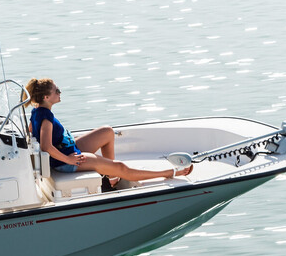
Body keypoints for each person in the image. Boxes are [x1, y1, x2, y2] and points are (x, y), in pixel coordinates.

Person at [23, 78, 193, 187]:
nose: (60, 93)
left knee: (107, 132)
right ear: (46, 97)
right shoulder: (46, 117)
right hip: (66, 161)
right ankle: (169, 173)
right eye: (56, 91)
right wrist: (68, 159)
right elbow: (45, 146)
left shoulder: (37, 111)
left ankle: (111, 176)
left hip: (68, 149)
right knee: (121, 167)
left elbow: (31, 133)